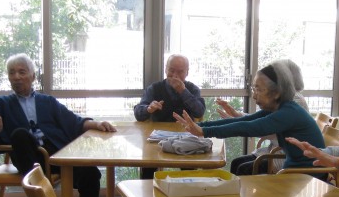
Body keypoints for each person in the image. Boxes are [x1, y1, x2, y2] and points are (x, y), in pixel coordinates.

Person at [0, 53, 116, 197]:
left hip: (55, 155)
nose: (16, 77)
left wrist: (97, 124)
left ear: (33, 76)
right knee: (19, 134)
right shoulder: (2, 103)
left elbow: (74, 122)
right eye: (12, 73)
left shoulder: (47, 102)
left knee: (91, 173)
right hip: (28, 157)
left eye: (22, 72)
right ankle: (39, 193)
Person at [173, 60, 326, 175]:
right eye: (254, 89)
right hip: (293, 170)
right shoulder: (281, 108)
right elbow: (243, 121)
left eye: (258, 90)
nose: (254, 95)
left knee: (244, 171)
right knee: (239, 166)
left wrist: (204, 132)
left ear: (277, 93)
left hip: (308, 175)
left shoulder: (289, 112)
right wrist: (201, 126)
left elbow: (249, 127)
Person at [216, 59, 309, 175]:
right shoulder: (285, 97)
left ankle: (243, 188)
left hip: (285, 157)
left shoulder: (295, 101)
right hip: (275, 151)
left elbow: (267, 129)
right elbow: (263, 120)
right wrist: (236, 115)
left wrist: (235, 122)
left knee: (243, 169)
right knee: (236, 163)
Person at [134, 54, 206, 179]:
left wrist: (183, 92)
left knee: (189, 169)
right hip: (156, 140)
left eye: (180, 72)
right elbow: (138, 113)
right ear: (165, 69)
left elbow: (199, 111)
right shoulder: (155, 88)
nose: (175, 75)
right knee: (148, 168)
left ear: (187, 72)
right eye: (171, 70)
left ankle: (186, 189)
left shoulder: (192, 89)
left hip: (185, 138)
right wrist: (148, 108)